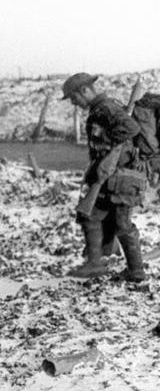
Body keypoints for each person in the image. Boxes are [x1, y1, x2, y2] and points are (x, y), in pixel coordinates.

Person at [61, 73, 146, 282]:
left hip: (122, 179)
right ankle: (94, 264)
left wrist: (111, 150)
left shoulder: (106, 108)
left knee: (122, 225)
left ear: (85, 91)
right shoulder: (99, 110)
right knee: (91, 217)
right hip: (107, 178)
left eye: (74, 98)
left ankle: (136, 272)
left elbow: (131, 128)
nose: (74, 103)